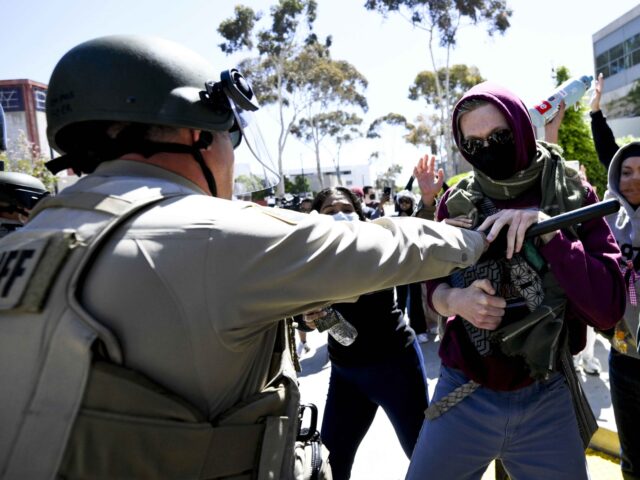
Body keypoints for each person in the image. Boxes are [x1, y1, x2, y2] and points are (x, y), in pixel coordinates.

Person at [0, 35, 488, 479]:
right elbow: (392, 247)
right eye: (228, 136)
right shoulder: (211, 234)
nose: (231, 156)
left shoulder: (24, 243)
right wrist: (477, 238)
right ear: (197, 136)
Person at [406, 81, 625, 480]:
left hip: (546, 392)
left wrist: (550, 232)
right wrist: (455, 301)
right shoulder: (455, 202)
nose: (487, 149)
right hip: (464, 390)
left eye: (499, 136)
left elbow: (608, 309)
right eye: (473, 144)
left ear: (522, 128)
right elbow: (431, 288)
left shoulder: (572, 193)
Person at [308, 186, 430, 480]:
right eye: (330, 211)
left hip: (395, 367)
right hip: (346, 374)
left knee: (425, 457)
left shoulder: (377, 243)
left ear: (360, 215)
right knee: (329, 465)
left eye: (346, 210)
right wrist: (306, 317)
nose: (339, 216)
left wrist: (426, 202)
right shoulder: (310, 258)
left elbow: (420, 241)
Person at [393, 190, 429, 343]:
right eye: (402, 202)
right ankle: (397, 329)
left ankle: (420, 329)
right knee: (400, 299)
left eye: (407, 202)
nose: (404, 205)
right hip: (399, 264)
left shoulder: (416, 218)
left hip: (414, 263)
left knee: (415, 298)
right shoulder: (393, 219)